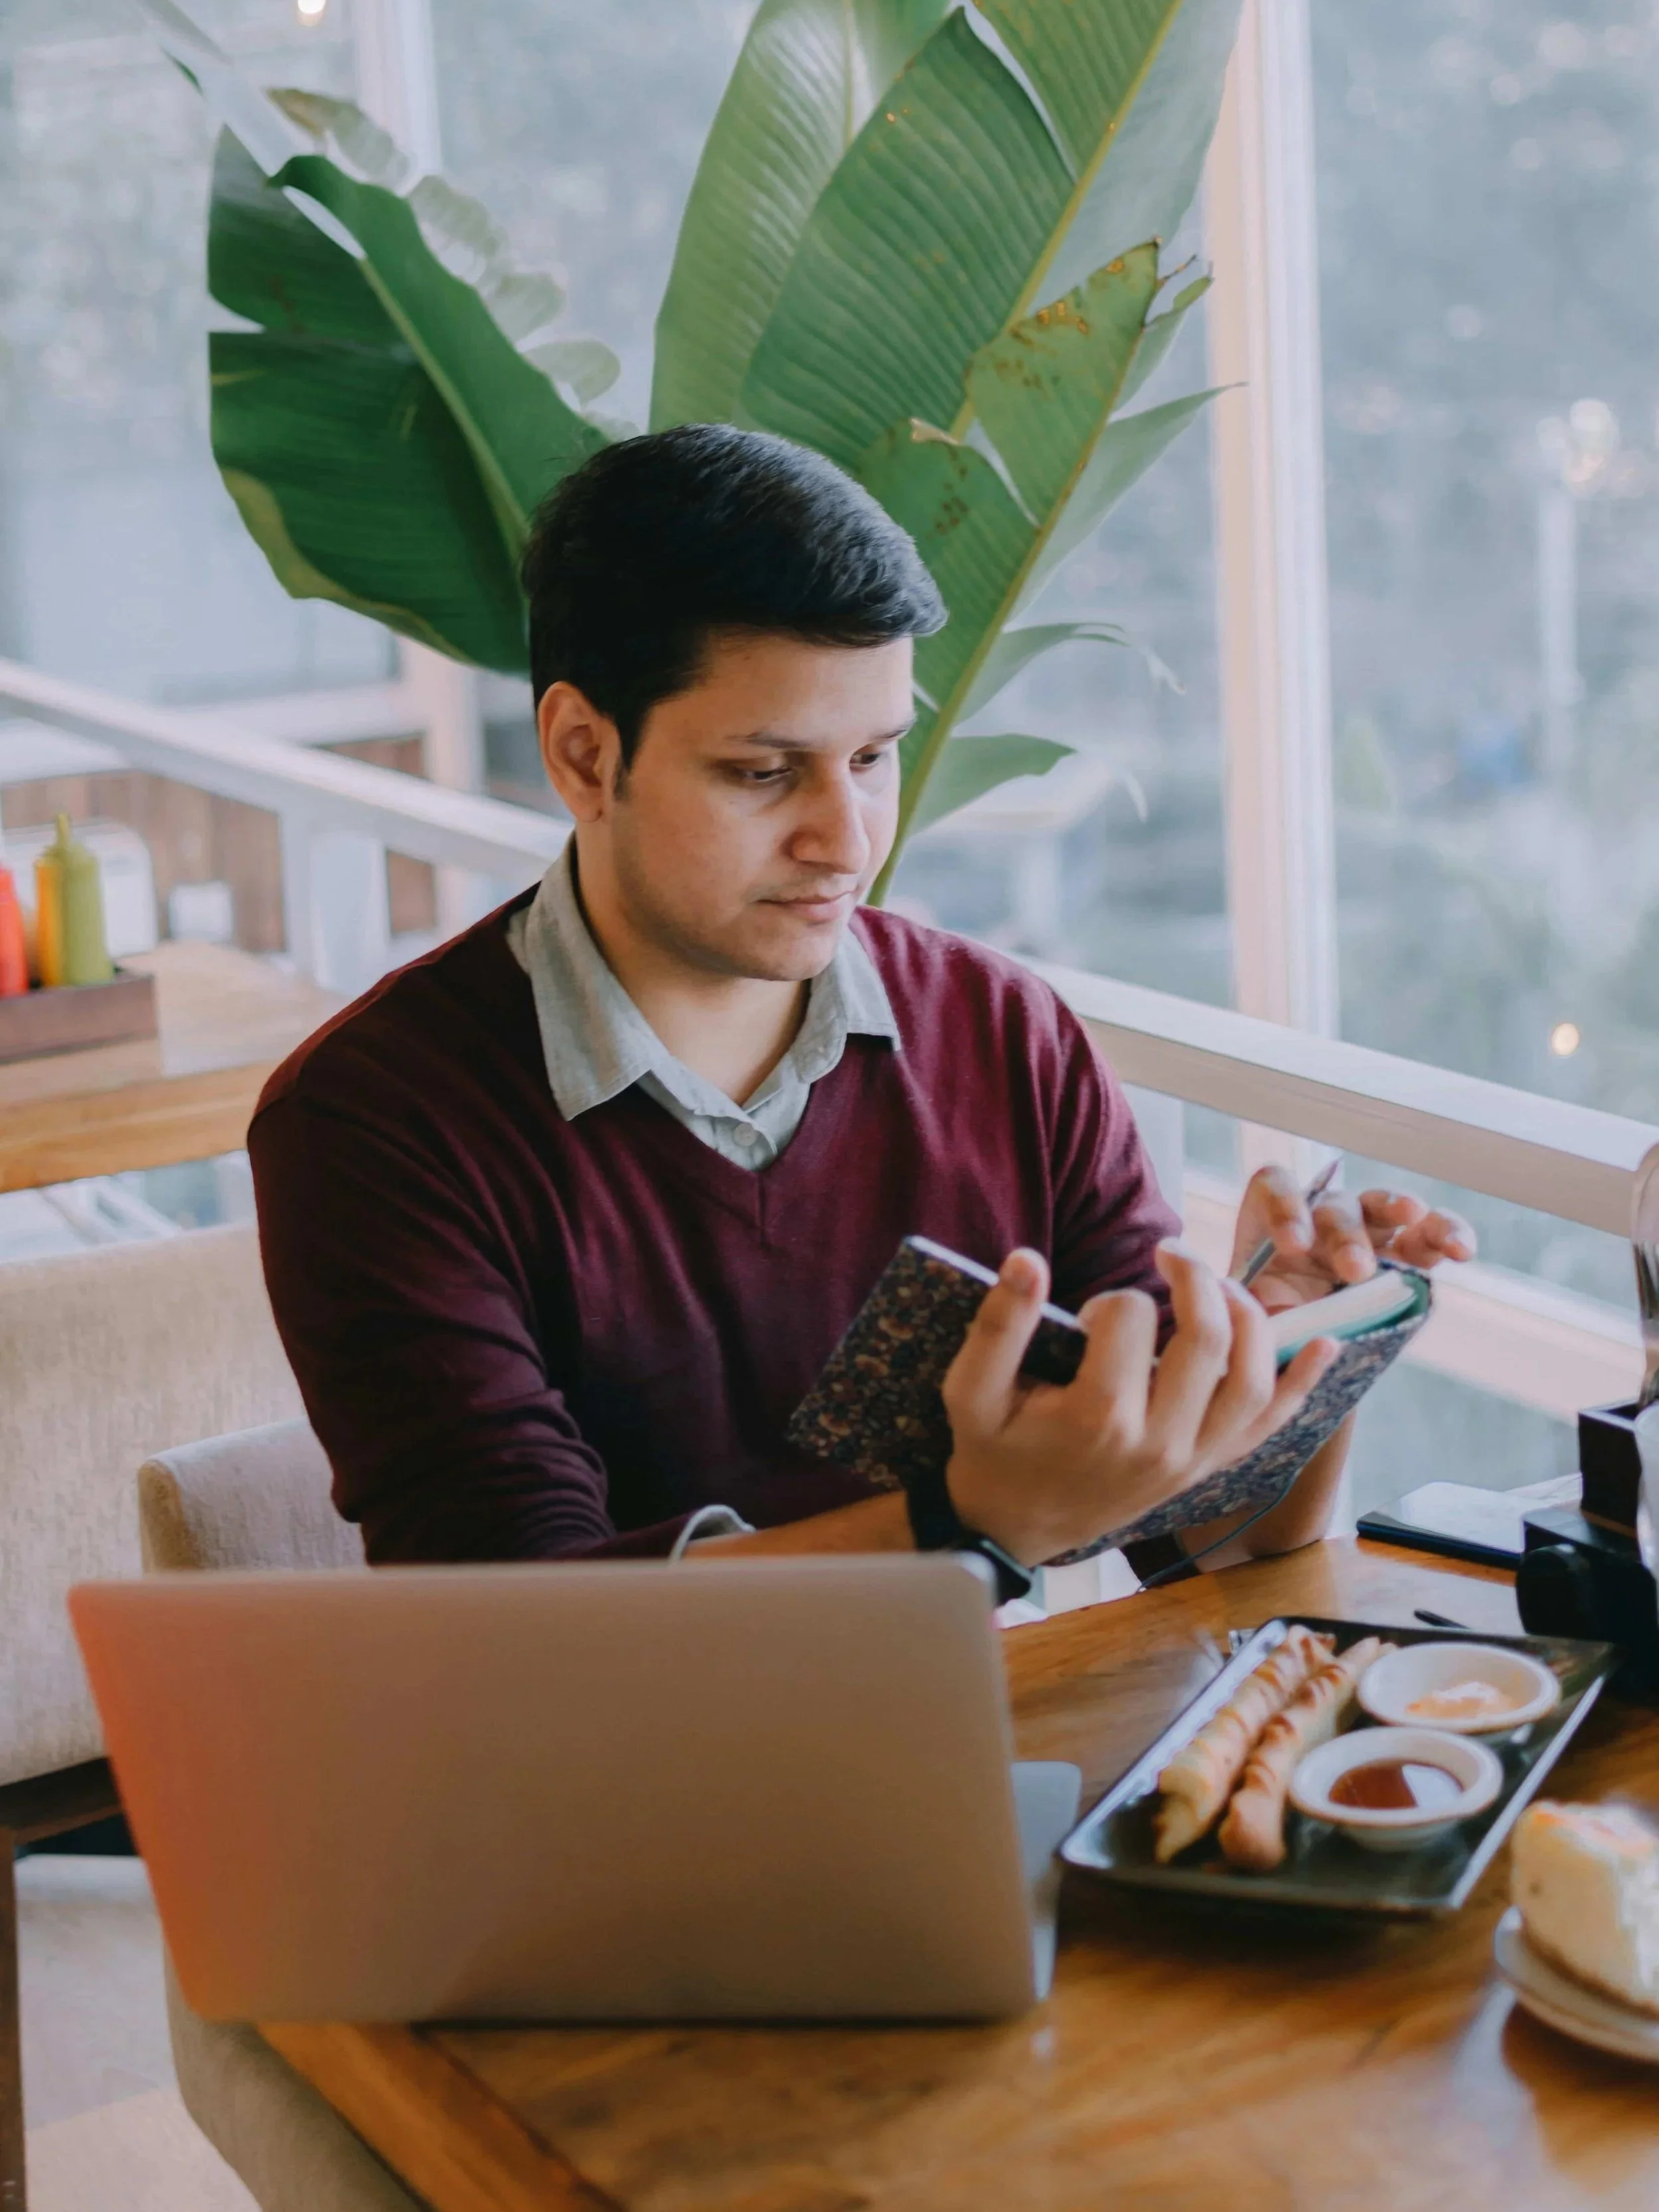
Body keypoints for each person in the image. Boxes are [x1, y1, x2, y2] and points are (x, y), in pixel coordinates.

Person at [250, 426, 1472, 1585]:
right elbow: (523, 1634)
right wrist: (964, 1524)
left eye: (874, 757)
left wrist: (1282, 1374)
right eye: (763, 771)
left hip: (1011, 1755)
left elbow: (1214, 1547)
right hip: (624, 1797)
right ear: (582, 752)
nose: (846, 841)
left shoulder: (1006, 1037)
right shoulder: (375, 1122)